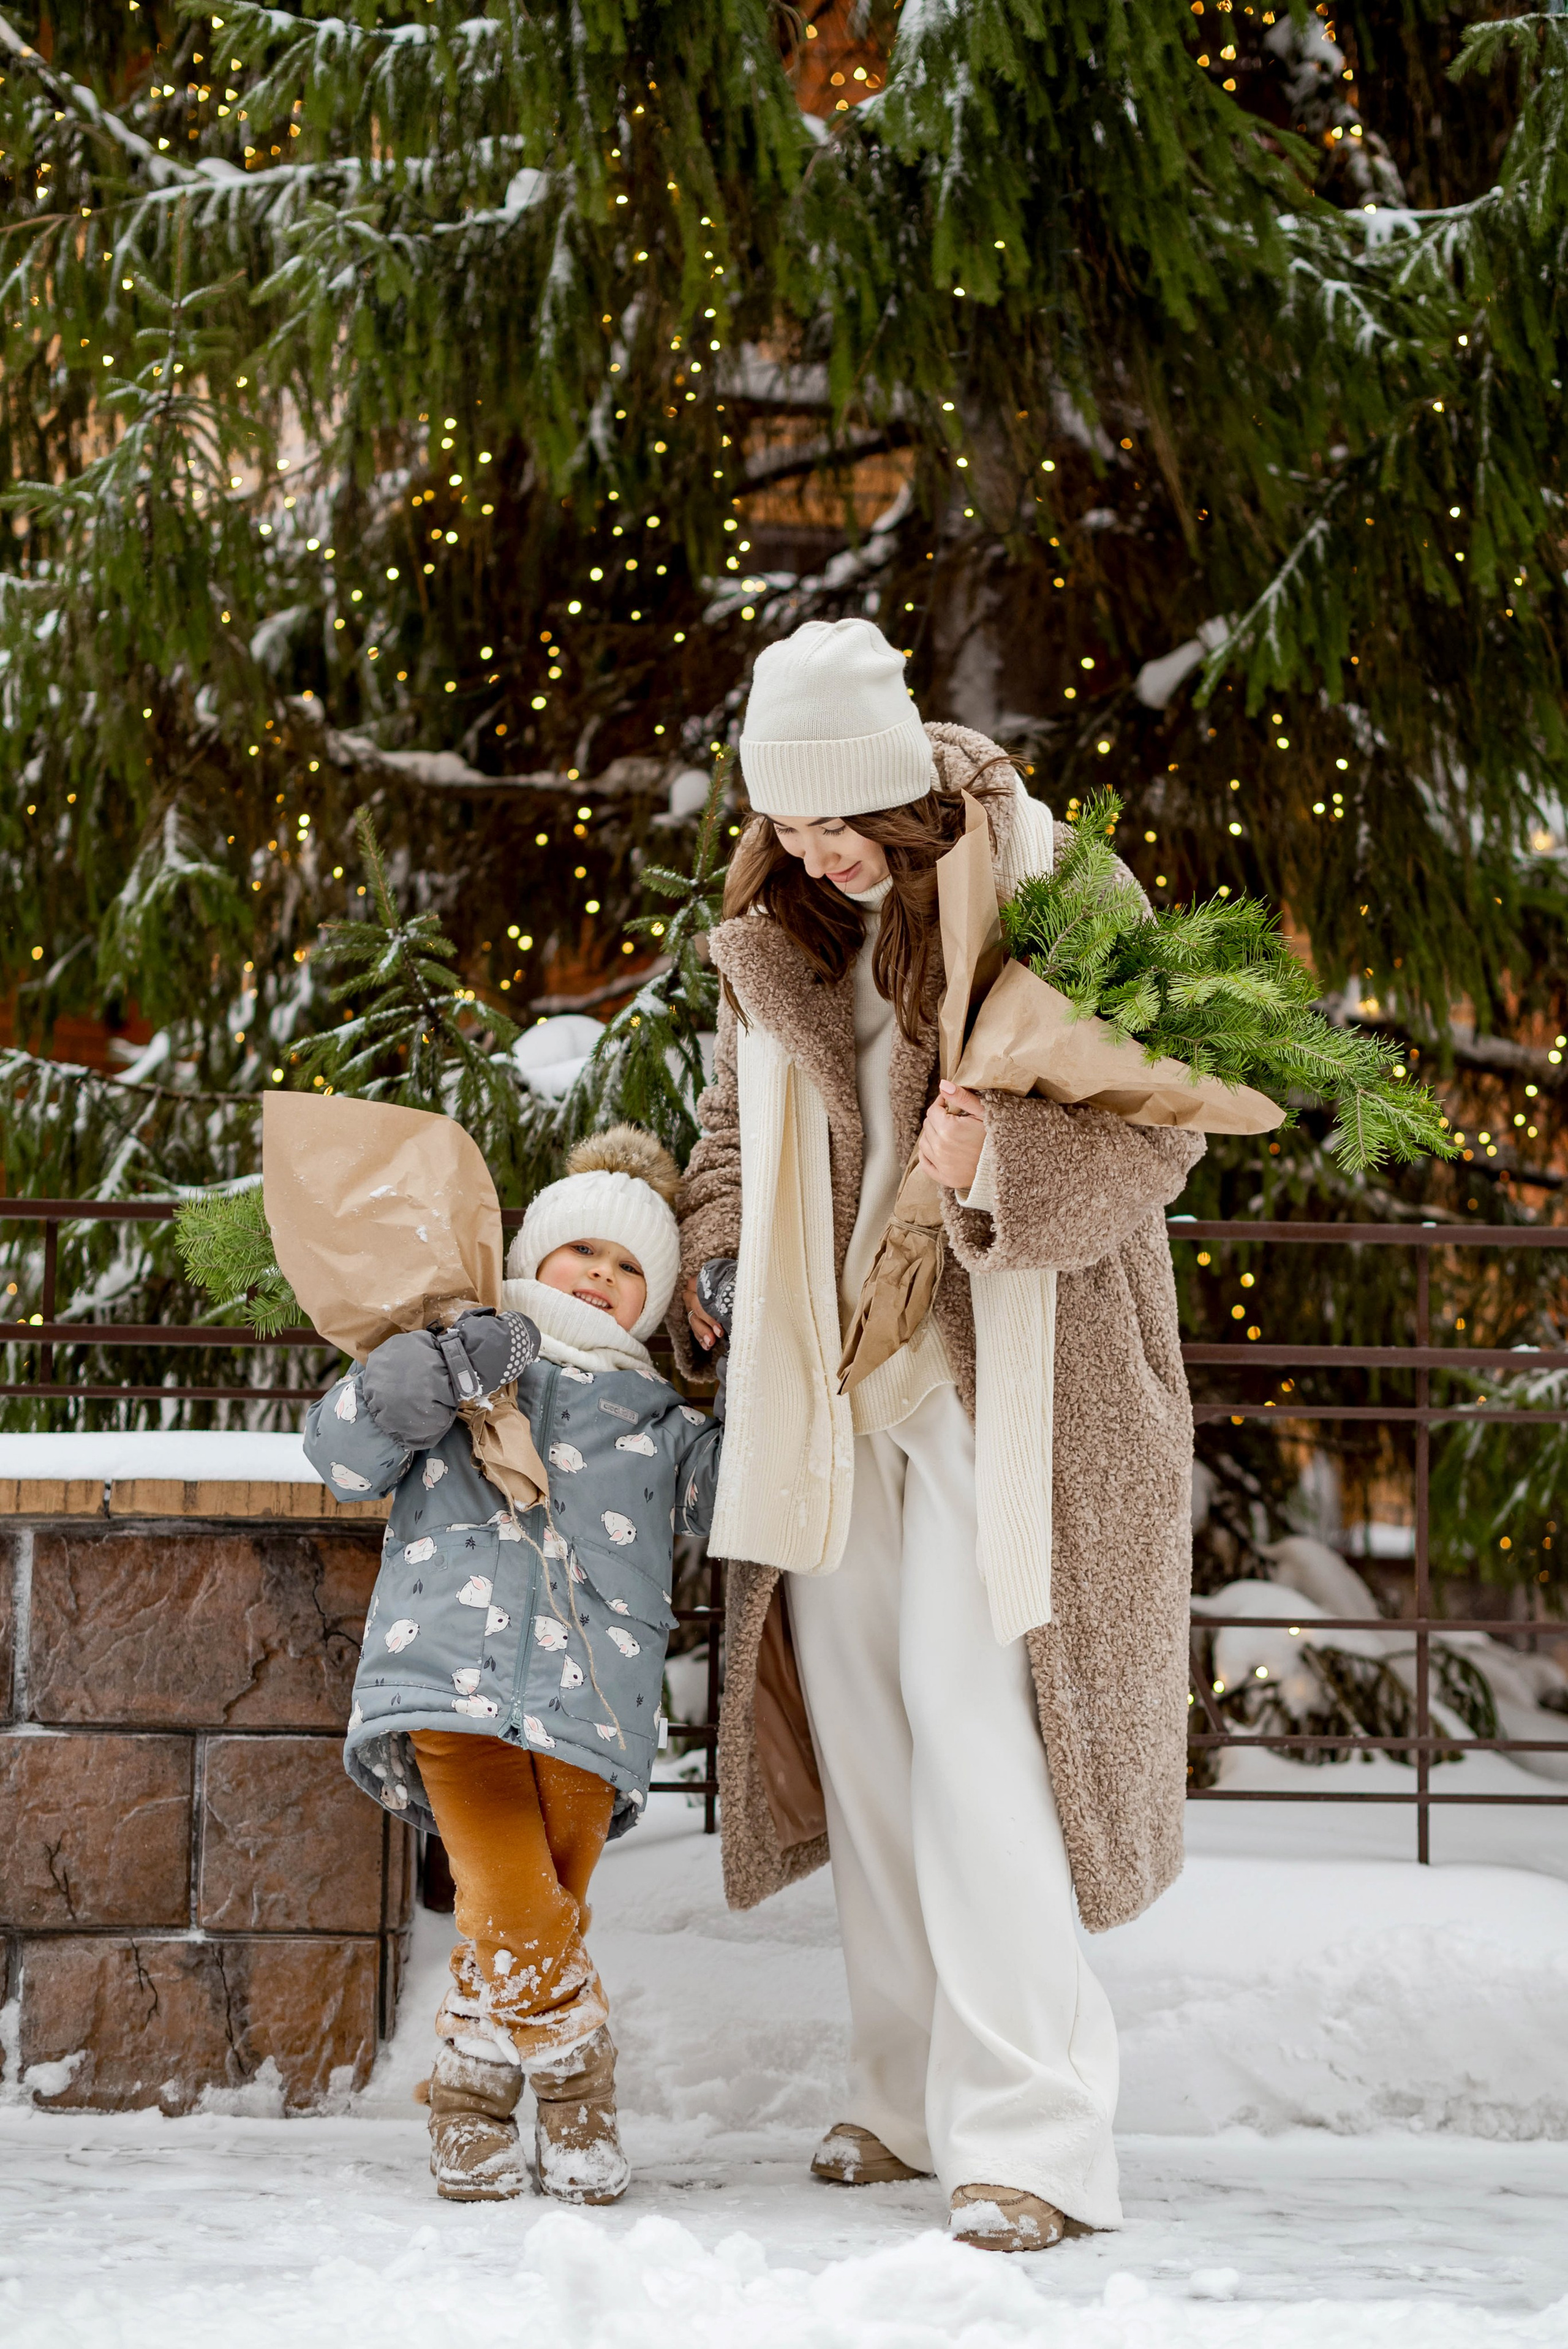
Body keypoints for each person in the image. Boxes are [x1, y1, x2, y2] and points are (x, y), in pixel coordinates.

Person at [674, 617, 1203, 2253]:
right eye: (793, 822)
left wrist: (991, 1161)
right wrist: (709, 1246)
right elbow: (721, 1129)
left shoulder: (1060, 889)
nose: (824, 850)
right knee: (873, 1735)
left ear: (904, 786)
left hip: (1011, 1375)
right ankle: (908, 2096)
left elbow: (1165, 1123)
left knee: (978, 1732)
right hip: (831, 1387)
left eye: (845, 819)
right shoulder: (782, 928)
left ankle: (1036, 2133)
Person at [305, 1126, 729, 2205]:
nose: (601, 1273)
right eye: (581, 1249)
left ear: (659, 1293)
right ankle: (581, 2091)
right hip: (450, 1675)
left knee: (540, 1900)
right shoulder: (460, 1354)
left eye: (632, 1264)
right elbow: (344, 1456)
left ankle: (470, 2102)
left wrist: (740, 1354)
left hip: (597, 1694)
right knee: (501, 1884)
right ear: (534, 1254)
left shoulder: (659, 1422)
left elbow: (748, 1495)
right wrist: (435, 1368)